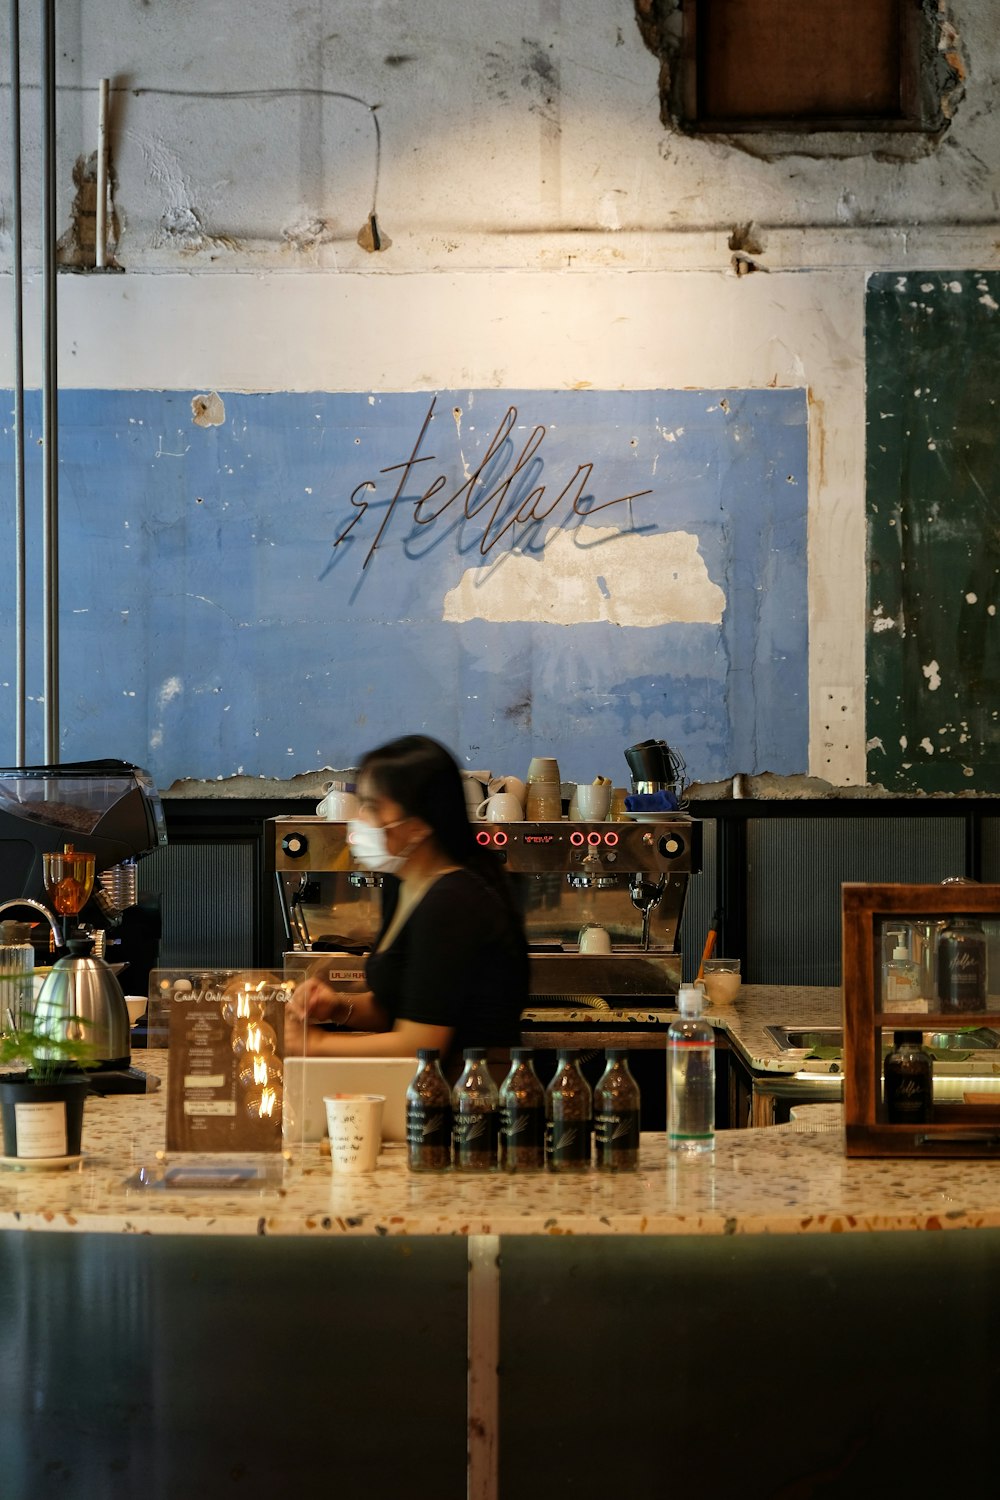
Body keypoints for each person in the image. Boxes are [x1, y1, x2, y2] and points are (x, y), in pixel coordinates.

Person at [286, 735, 528, 1067]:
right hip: (424, 1093)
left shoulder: (452, 902)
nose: (360, 819)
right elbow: (402, 1007)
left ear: (419, 823)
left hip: (473, 1101)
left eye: (372, 806)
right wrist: (337, 1007)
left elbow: (421, 1044)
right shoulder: (401, 885)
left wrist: (316, 1045)